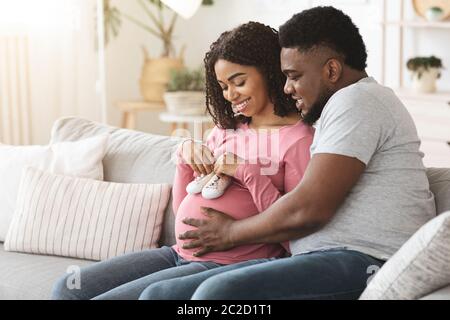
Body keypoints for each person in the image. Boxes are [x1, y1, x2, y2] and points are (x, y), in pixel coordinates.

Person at [138, 6, 436, 300]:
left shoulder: (358, 102)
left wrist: (230, 233)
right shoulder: (338, 110)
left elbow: (308, 208)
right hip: (319, 258)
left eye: (293, 76)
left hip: (363, 260)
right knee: (161, 295)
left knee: (217, 294)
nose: (287, 88)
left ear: (331, 70)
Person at [50, 21, 314, 300]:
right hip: (177, 253)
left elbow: (291, 231)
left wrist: (248, 172)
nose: (230, 95)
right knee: (69, 288)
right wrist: (184, 162)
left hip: (229, 264)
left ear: (270, 71)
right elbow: (183, 209)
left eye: (239, 82)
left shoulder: (298, 140)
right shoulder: (226, 130)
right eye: (223, 86)